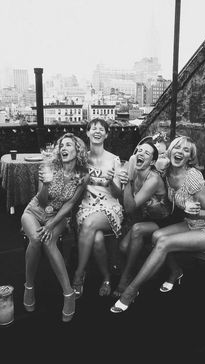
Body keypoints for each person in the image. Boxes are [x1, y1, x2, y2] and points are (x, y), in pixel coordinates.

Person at [110, 135, 205, 313]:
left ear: (190, 157)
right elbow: (140, 158)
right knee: (156, 236)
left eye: (186, 150)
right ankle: (175, 271)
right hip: (189, 224)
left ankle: (131, 290)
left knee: (164, 242)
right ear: (170, 151)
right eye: (177, 148)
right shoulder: (165, 170)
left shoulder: (192, 177)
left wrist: (196, 213)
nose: (180, 152)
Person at [21, 133, 89, 322]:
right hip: (34, 211)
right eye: (61, 146)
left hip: (58, 216)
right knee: (36, 239)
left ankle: (68, 294)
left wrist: (51, 224)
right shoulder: (48, 167)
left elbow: (70, 205)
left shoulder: (83, 175)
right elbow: (41, 201)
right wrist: (46, 184)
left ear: (78, 151)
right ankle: (29, 286)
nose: (63, 148)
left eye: (68, 145)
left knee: (49, 240)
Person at [112, 137, 171, 298]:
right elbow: (122, 200)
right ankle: (141, 272)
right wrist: (114, 182)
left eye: (147, 152)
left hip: (163, 221)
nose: (141, 153)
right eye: (139, 151)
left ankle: (126, 279)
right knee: (124, 247)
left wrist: (128, 182)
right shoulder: (135, 173)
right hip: (146, 218)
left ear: (152, 162)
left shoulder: (153, 179)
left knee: (137, 230)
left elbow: (130, 208)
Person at [72, 118, 124, 299]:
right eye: (93, 128)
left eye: (101, 129)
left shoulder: (114, 160)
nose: (97, 131)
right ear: (87, 133)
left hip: (110, 208)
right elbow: (73, 186)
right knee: (98, 240)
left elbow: (118, 194)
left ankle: (79, 274)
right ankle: (107, 278)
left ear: (106, 134)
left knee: (89, 225)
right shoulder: (81, 160)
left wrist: (111, 182)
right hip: (86, 207)